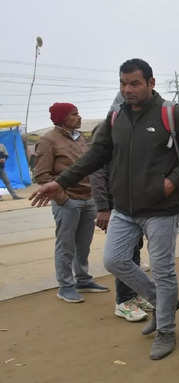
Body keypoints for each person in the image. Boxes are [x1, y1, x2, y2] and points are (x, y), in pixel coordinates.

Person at [30, 58, 179, 360]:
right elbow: (94, 157)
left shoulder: (171, 114)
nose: (128, 89)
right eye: (123, 83)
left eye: (135, 83)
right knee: (113, 260)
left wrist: (172, 181)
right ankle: (162, 300)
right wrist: (60, 182)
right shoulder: (114, 119)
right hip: (125, 209)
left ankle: (165, 329)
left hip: (161, 208)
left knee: (163, 270)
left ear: (151, 83)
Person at [33, 102, 109, 304]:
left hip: (88, 199)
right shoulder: (48, 141)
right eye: (74, 114)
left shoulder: (80, 138)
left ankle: (83, 280)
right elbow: (41, 175)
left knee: (83, 245)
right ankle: (65, 286)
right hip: (68, 201)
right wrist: (62, 199)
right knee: (65, 246)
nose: (79, 117)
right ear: (62, 118)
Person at [90, 123, 150, 322]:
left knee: (134, 252)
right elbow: (97, 180)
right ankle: (123, 302)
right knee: (122, 256)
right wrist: (103, 209)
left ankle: (135, 295)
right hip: (117, 209)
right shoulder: (103, 152)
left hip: (134, 208)